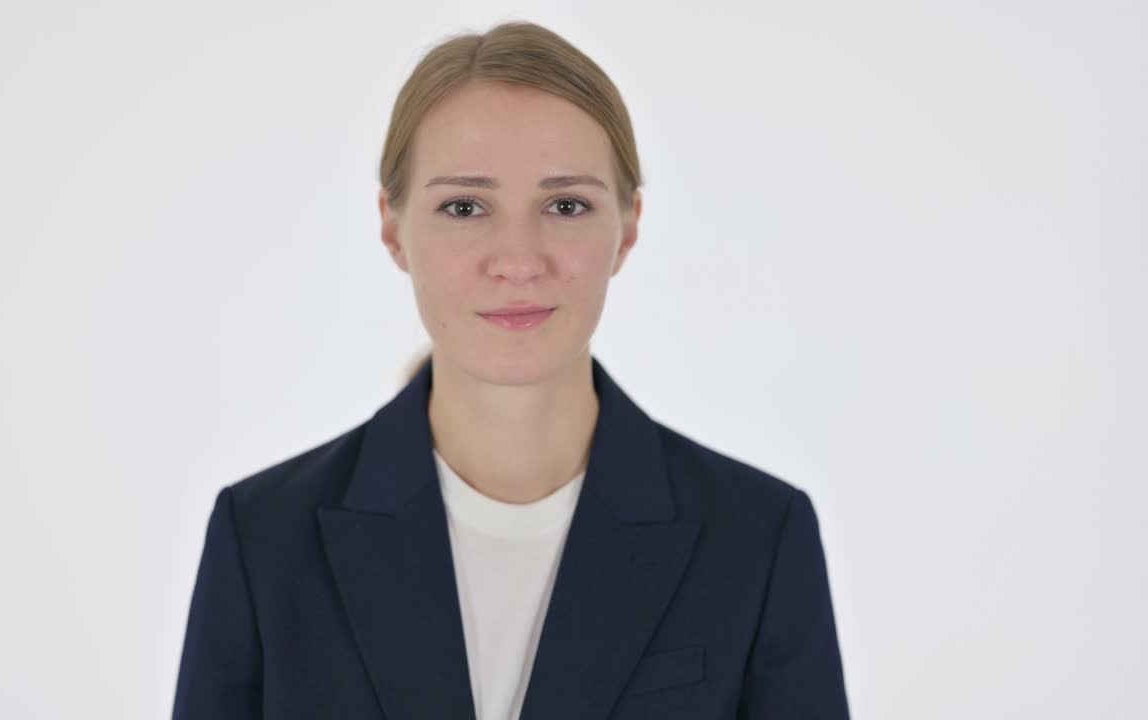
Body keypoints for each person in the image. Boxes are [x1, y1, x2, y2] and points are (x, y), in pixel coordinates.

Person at [171, 20, 850, 720]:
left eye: (566, 205)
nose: (519, 260)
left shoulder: (757, 538)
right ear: (392, 227)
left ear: (629, 226)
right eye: (465, 207)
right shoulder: (263, 539)